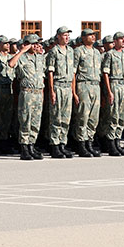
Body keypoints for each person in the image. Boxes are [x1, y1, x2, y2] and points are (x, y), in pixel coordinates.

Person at [9, 34, 46, 161]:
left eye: (38, 43)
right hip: (27, 93)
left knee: (36, 122)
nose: (37, 46)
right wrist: (22, 50)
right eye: (34, 43)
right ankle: (24, 148)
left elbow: (42, 76)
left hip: (38, 92)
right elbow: (11, 64)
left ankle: (31, 146)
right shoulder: (22, 57)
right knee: (26, 121)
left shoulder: (40, 58)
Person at [45, 26, 75, 159]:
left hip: (68, 87)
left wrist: (73, 91)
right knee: (56, 117)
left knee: (66, 118)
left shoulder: (70, 51)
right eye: (64, 35)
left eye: (68, 35)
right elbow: (50, 72)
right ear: (58, 36)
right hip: (58, 86)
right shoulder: (54, 52)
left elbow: (73, 73)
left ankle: (63, 144)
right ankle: (55, 145)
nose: (67, 37)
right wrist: (51, 91)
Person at [72, 29, 102, 157]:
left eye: (94, 35)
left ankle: (89, 142)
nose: (93, 37)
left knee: (93, 118)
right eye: (90, 35)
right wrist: (74, 92)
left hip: (95, 85)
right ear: (83, 38)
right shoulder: (78, 51)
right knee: (82, 116)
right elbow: (73, 72)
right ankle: (81, 144)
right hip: (83, 84)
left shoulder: (97, 52)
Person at [100, 31, 124, 156]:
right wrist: (109, 91)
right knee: (113, 115)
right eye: (120, 39)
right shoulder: (110, 55)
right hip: (114, 84)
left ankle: (118, 142)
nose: (123, 41)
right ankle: (111, 143)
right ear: (115, 41)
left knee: (122, 116)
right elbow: (106, 73)